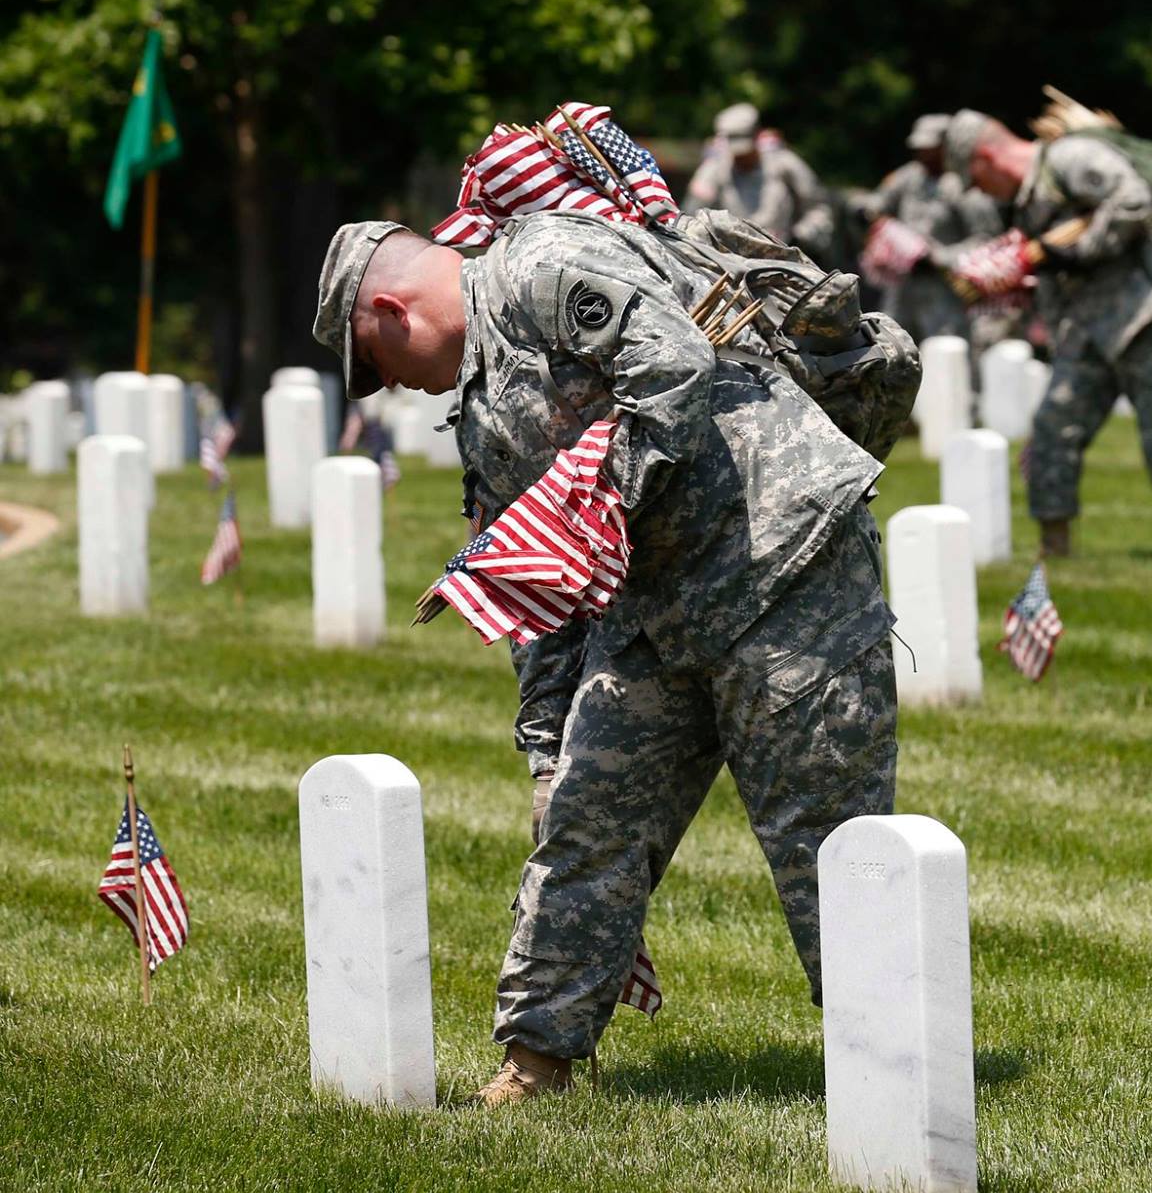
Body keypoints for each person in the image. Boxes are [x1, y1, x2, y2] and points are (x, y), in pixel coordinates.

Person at [311, 210, 898, 1105]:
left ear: (391, 310)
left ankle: (898, 1073)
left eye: (378, 363)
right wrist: (547, 747)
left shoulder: (544, 264)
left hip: (782, 566)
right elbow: (538, 584)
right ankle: (536, 1063)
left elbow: (673, 368)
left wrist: (590, 505)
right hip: (654, 613)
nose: (393, 385)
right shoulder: (480, 414)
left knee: (829, 842)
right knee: (584, 825)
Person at [944, 109, 1152, 560]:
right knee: (1052, 431)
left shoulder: (1069, 158)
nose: (979, 192)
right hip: (1085, 332)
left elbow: (1132, 201)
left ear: (986, 157)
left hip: (1148, 316)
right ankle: (1054, 550)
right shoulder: (1027, 205)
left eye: (975, 178)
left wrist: (1070, 249)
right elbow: (1051, 271)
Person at [858, 113, 1006, 344]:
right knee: (890, 341)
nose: (922, 154)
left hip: (944, 285)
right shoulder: (909, 176)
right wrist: (873, 219)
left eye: (930, 148)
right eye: (918, 148)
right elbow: (878, 203)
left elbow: (987, 240)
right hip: (903, 281)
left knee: (945, 348)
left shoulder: (964, 184)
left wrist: (938, 258)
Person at [684, 103, 836, 260]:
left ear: (757, 135)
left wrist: (800, 237)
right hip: (730, 261)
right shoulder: (712, 171)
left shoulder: (784, 165)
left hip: (784, 258)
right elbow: (690, 218)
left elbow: (819, 209)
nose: (741, 157)